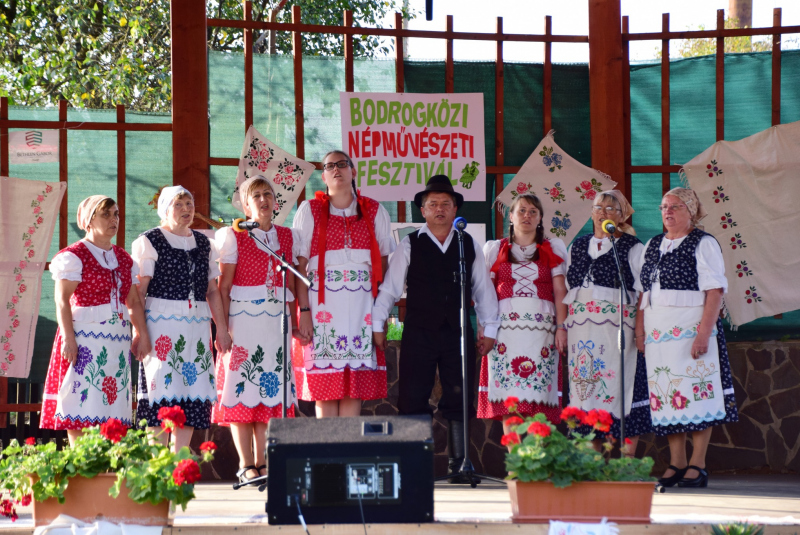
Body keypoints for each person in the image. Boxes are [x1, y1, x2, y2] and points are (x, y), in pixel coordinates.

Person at [373, 175, 499, 482]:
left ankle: (460, 464)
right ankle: (413, 467)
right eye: (433, 204)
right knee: (413, 396)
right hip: (418, 332)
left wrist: (489, 328)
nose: (440, 209)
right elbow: (390, 289)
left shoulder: (466, 243)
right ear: (423, 210)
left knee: (460, 394)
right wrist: (378, 324)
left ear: (456, 208)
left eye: (446, 203)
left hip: (457, 332)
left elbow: (482, 289)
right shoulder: (410, 244)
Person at [635, 187, 738, 488]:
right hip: (658, 334)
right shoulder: (653, 244)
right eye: (664, 207)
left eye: (675, 207)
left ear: (691, 210)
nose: (667, 212)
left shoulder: (703, 243)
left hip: (691, 330)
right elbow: (644, 294)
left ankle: (698, 463)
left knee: (697, 395)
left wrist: (704, 335)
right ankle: (677, 462)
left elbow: (714, 291)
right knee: (668, 396)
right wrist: (641, 332)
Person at [293, 150, 395, 417]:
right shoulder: (309, 210)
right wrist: (304, 312)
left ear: (353, 171)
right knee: (325, 393)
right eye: (329, 166)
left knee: (353, 390)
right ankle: (328, 457)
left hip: (362, 311)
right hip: (321, 310)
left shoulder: (374, 210)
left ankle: (348, 454)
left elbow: (383, 267)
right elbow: (300, 268)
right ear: (324, 176)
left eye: (342, 164)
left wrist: (379, 316)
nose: (336, 169)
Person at [41, 196, 151, 445]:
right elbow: (62, 301)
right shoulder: (74, 256)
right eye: (106, 215)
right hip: (84, 339)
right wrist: (69, 339)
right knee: (82, 398)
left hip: (117, 341)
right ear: (89, 221)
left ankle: (108, 469)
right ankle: (83, 464)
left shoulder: (123, 259)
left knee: (112, 403)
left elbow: (133, 302)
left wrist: (140, 334)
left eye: (117, 214)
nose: (114, 220)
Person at [213, 175, 301, 485]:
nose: (263, 200)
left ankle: (263, 463)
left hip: (275, 322)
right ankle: (245, 464)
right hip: (243, 322)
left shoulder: (289, 237)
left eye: (267, 194)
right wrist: (223, 328)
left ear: (275, 201)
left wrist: (298, 324)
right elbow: (223, 287)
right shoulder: (233, 236)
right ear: (246, 205)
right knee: (242, 388)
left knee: (269, 391)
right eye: (256, 196)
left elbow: (291, 285)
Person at [132, 186, 231, 452]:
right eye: (179, 204)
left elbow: (212, 290)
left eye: (189, 203)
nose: (187, 209)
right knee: (160, 391)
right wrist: (139, 331)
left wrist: (221, 329)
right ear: (165, 210)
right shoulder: (150, 241)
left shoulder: (204, 243)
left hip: (197, 327)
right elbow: (139, 293)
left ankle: (177, 461)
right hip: (160, 325)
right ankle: (157, 466)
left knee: (191, 390)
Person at [563, 190, 652, 453]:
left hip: (618, 333)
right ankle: (588, 461)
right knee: (584, 390)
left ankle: (624, 464)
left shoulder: (633, 247)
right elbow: (569, 286)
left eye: (611, 209)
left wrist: (639, 330)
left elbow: (643, 291)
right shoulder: (578, 246)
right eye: (598, 207)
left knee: (619, 387)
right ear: (591, 212)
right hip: (581, 333)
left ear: (622, 215)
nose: (603, 212)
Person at [478, 193, 568, 438]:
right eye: (522, 210)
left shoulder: (552, 247)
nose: (527, 215)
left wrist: (562, 327)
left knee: (539, 398)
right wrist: (485, 328)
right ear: (511, 215)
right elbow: (485, 293)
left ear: (540, 218)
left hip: (542, 332)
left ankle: (536, 464)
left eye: (533, 212)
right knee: (511, 401)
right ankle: (516, 464)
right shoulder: (494, 248)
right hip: (504, 331)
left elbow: (560, 291)